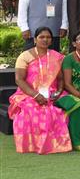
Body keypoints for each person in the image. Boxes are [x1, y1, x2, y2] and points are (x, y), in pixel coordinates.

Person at [9, 26, 72, 154]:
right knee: (30, 109)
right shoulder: (25, 56)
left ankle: (57, 143)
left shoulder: (57, 57)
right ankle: (33, 145)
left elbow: (60, 80)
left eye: (48, 37)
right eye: (41, 37)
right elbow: (19, 80)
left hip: (53, 92)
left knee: (58, 108)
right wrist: (36, 95)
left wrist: (58, 92)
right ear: (35, 39)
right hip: (28, 93)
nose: (45, 40)